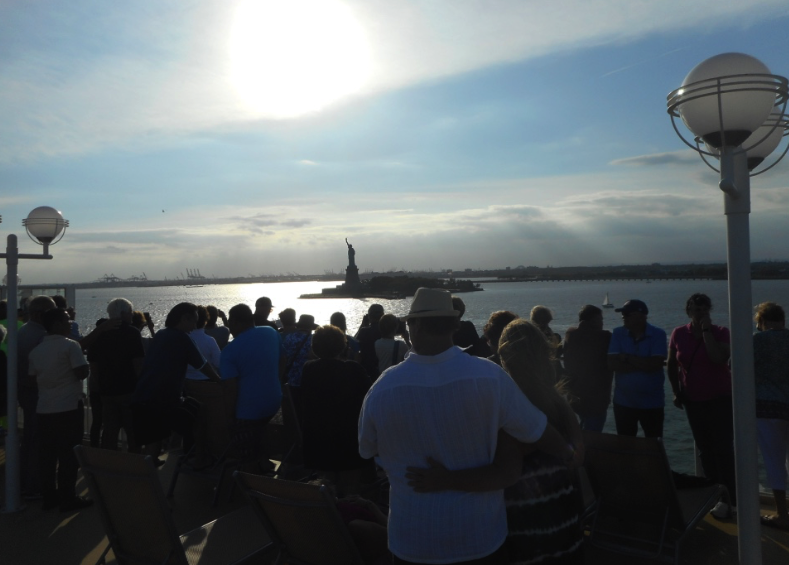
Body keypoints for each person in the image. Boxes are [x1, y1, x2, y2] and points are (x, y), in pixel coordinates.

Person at [358, 288, 574, 565]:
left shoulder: (382, 389)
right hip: (479, 537)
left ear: (413, 325)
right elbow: (538, 430)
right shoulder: (490, 377)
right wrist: (568, 451)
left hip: (412, 538)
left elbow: (367, 449)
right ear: (455, 326)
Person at [406, 320, 585, 565]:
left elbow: (506, 474)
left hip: (528, 527)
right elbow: (577, 454)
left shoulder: (508, 410)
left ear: (504, 357)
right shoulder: (558, 402)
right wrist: (564, 451)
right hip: (566, 519)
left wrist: (444, 480)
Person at [667, 293, 736, 518]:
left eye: (705, 310)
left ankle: (731, 498)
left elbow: (718, 358)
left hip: (720, 399)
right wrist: (677, 391)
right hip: (693, 401)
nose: (702, 314)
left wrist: (706, 332)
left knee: (723, 449)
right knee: (705, 450)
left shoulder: (721, 332)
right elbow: (672, 364)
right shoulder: (678, 333)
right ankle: (715, 494)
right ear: (689, 312)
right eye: (697, 310)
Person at [131, 302, 221, 462]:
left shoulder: (160, 335)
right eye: (193, 321)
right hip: (165, 399)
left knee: (153, 439)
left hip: (143, 396)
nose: (194, 326)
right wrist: (219, 381)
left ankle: (147, 473)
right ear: (184, 319)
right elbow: (202, 365)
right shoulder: (183, 338)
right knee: (199, 414)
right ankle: (199, 458)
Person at [28, 307, 91, 512]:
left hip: (44, 408)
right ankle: (68, 497)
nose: (70, 323)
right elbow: (81, 373)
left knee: (47, 456)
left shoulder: (36, 351)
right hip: (69, 407)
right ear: (56, 325)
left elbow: (33, 377)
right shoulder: (70, 346)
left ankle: (49, 497)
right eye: (66, 321)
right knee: (68, 455)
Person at [301, 325, 372, 494]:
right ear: (343, 346)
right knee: (350, 486)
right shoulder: (354, 370)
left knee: (326, 484)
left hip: (318, 440)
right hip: (348, 439)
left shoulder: (309, 369)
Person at [221, 303, 284, 470]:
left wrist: (229, 419)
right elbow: (283, 360)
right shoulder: (271, 332)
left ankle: (252, 481)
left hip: (249, 412)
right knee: (260, 434)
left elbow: (230, 389)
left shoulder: (229, 352)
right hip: (274, 402)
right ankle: (263, 462)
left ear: (234, 321)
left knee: (246, 454)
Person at [86, 298, 145, 452]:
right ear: (124, 313)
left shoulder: (99, 333)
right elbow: (138, 363)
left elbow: (94, 364)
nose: (131, 316)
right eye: (130, 313)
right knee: (133, 431)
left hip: (106, 390)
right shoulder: (132, 332)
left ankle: (109, 465)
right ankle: (136, 465)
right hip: (128, 389)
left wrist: (99, 387)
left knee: (110, 431)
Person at [753, 302, 789, 531]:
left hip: (767, 409)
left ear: (761, 321)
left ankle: (782, 514)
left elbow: (732, 367)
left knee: (774, 462)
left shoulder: (755, 341)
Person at [608, 299, 667, 438]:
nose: (623, 316)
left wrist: (627, 357)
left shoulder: (658, 334)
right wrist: (644, 363)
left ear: (642, 316)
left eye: (628, 314)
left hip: (652, 403)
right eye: (623, 314)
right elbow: (612, 364)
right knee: (625, 446)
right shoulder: (617, 333)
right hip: (623, 403)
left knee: (654, 445)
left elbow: (655, 365)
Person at [17, 295, 57, 498]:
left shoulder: (22, 332)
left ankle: (24, 481)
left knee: (29, 438)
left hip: (24, 391)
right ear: (40, 314)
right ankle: (35, 486)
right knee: (39, 441)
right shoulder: (41, 336)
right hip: (38, 393)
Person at [563, 305, 613, 432]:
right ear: (593, 321)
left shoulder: (570, 334)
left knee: (581, 428)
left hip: (575, 394)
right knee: (593, 434)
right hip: (597, 398)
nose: (602, 323)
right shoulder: (605, 337)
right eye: (600, 320)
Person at [356, 304, 385, 379]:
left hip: (367, 370)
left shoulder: (364, 331)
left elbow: (354, 342)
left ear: (369, 316)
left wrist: (362, 326)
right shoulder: (385, 331)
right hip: (382, 370)